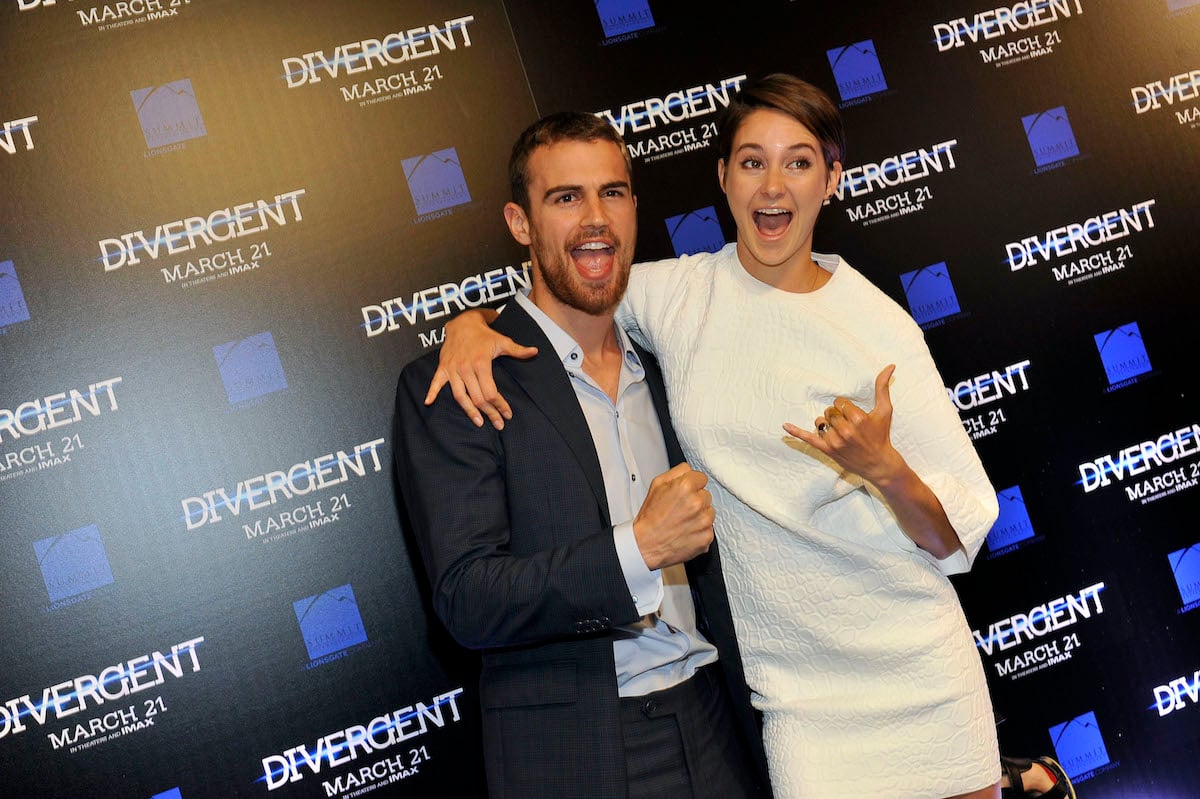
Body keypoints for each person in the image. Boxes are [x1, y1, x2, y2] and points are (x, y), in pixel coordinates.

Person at [424, 74, 1073, 799]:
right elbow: (572, 280)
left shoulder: (879, 322)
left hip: (916, 675)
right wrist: (468, 327)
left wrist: (885, 469)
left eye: (799, 161)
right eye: (752, 161)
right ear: (723, 179)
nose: (774, 185)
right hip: (795, 701)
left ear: (832, 178)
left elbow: (957, 536)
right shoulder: (676, 295)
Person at [392, 112, 772, 799]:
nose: (595, 218)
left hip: (719, 727)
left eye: (613, 192)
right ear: (520, 222)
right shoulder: (458, 381)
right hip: (578, 754)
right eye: (565, 198)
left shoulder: (672, 356)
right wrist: (639, 546)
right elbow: (468, 598)